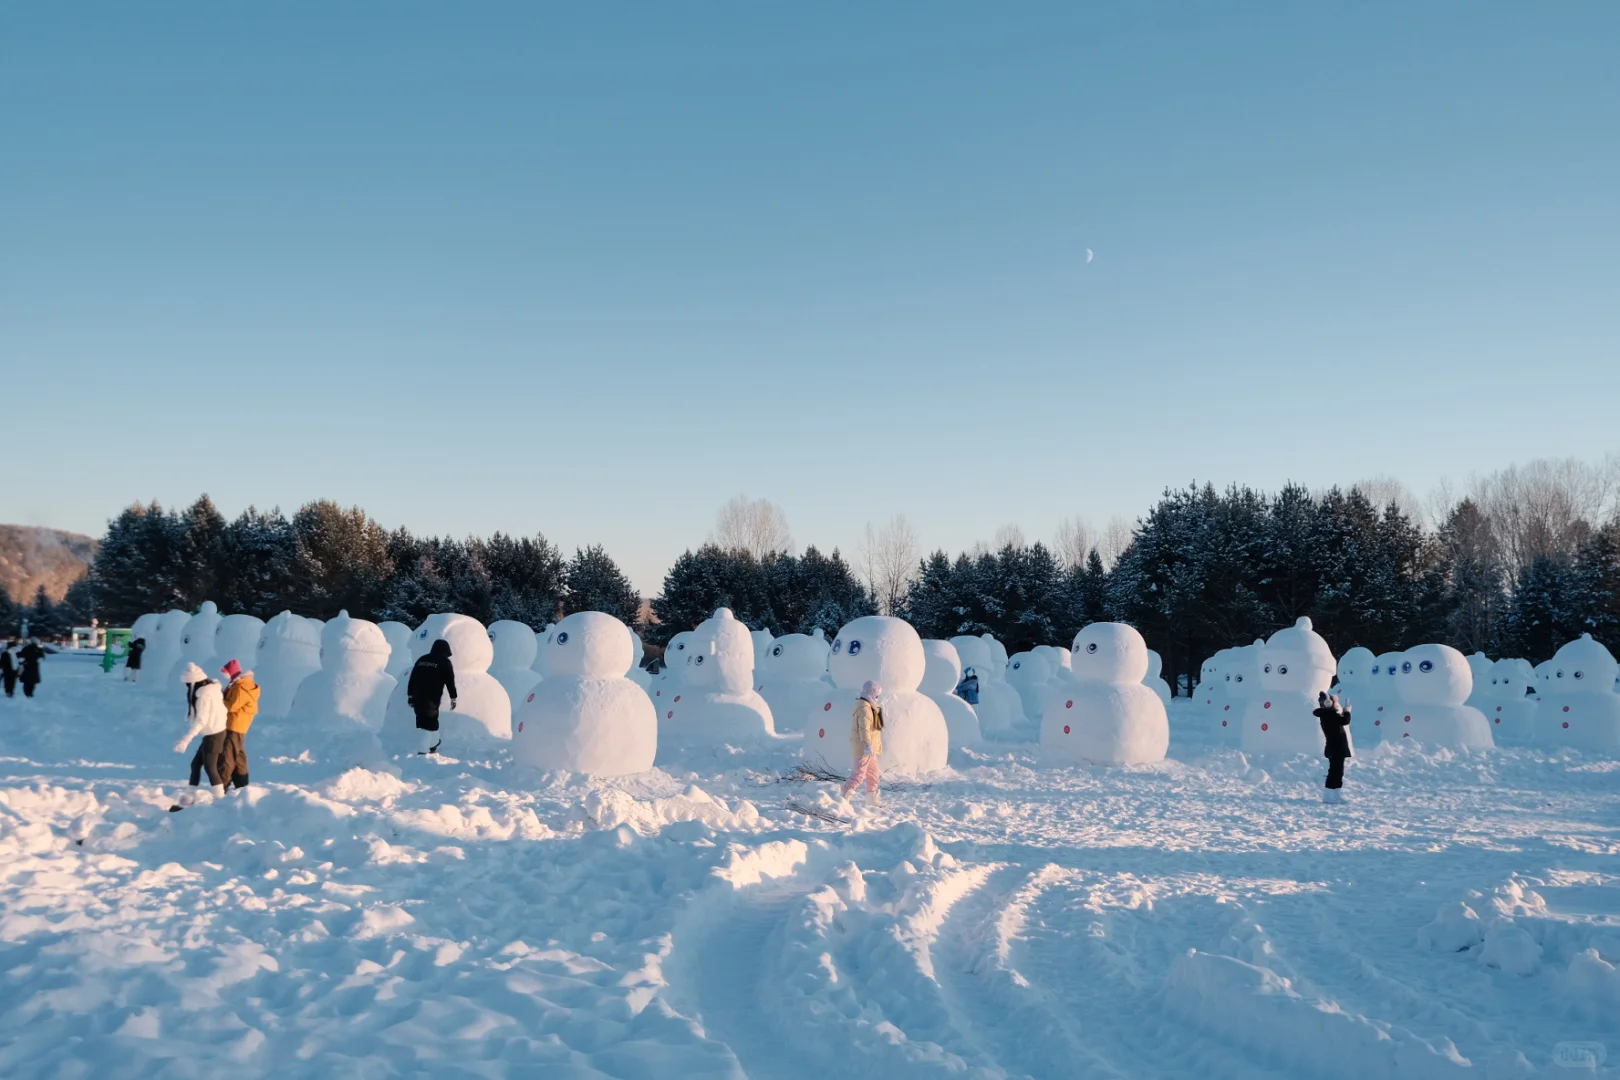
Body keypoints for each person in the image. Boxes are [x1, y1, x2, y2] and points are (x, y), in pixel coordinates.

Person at [171, 662, 228, 811]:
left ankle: (220, 801)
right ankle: (189, 797)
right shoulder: (210, 689)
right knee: (195, 764)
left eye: (187, 684)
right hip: (213, 733)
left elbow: (201, 720)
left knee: (210, 768)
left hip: (214, 734)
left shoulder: (203, 695)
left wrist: (186, 739)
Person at [406, 639, 457, 755]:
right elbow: (450, 681)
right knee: (428, 723)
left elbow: (412, 678)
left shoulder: (422, 659)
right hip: (431, 698)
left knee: (423, 720)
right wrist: (453, 697)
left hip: (417, 696)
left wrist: (410, 695)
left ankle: (434, 743)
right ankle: (422, 750)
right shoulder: (444, 662)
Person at [841, 680, 885, 805]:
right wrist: (867, 744)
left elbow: (877, 727)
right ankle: (842, 796)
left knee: (874, 774)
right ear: (870, 693)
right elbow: (864, 729)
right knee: (859, 775)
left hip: (871, 749)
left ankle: (872, 799)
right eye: (876, 695)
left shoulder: (870, 707)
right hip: (864, 748)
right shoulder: (864, 709)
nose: (877, 698)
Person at [218, 659, 260, 791]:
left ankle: (221, 787)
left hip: (233, 726)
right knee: (238, 757)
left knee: (227, 757)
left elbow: (231, 706)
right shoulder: (243, 685)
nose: (226, 676)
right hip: (238, 726)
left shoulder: (240, 687)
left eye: (226, 673)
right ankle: (242, 786)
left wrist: (218, 701)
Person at [1313, 690, 1353, 804]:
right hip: (1336, 748)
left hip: (1336, 748)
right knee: (1335, 772)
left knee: (1338, 772)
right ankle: (1329, 796)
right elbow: (1345, 720)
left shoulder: (1328, 715)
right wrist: (1347, 712)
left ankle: (1335, 794)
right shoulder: (1328, 715)